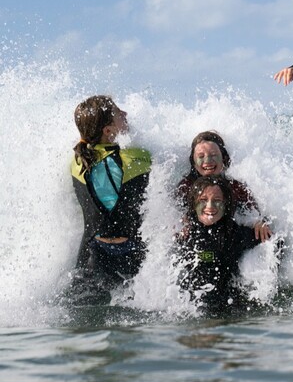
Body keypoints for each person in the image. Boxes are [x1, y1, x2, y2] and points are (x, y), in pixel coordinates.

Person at [70, 95, 151, 303]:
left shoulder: (77, 161)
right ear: (108, 131)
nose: (125, 114)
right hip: (130, 255)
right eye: (118, 113)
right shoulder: (135, 158)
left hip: (89, 257)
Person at [174, 175, 269, 313]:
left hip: (231, 308)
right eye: (203, 200)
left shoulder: (235, 234)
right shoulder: (184, 233)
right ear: (194, 203)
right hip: (190, 310)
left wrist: (262, 223)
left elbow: (273, 241)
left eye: (217, 200)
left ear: (226, 204)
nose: (210, 207)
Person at [175, 130, 272, 242]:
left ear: (224, 159)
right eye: (201, 156)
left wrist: (259, 222)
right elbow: (174, 213)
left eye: (213, 155)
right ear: (193, 162)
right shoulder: (186, 186)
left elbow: (254, 213)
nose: (207, 161)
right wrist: (182, 222)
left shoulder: (235, 187)